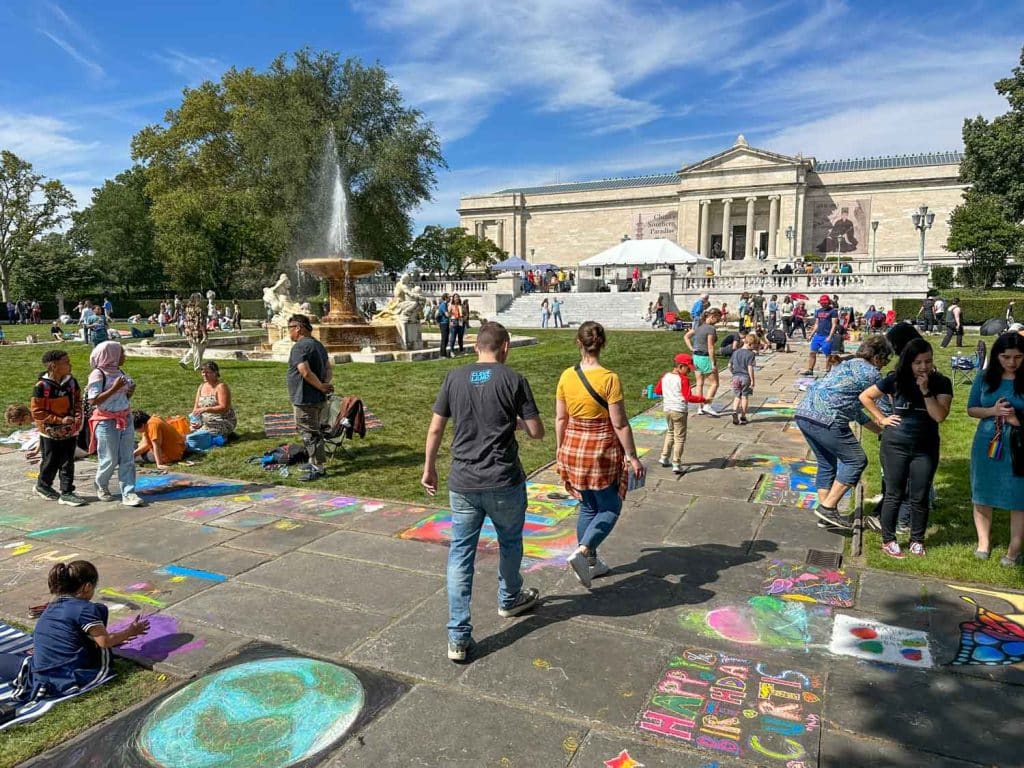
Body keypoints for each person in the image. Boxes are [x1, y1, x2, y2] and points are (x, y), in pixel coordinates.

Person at [421, 321, 544, 663]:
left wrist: (429, 467)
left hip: (463, 481)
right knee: (509, 541)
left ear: (477, 346)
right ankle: (509, 597)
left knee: (461, 554)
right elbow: (537, 432)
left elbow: (435, 429)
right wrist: (515, 422)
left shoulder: (454, 377)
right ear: (504, 347)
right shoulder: (514, 379)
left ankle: (458, 637)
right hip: (503, 480)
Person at [556, 321, 645, 589]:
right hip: (600, 450)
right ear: (602, 344)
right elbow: (619, 423)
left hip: (572, 446)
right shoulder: (609, 379)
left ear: (578, 343)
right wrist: (632, 456)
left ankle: (591, 562)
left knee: (588, 505)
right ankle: (584, 553)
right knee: (610, 506)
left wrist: (560, 450)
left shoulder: (566, 376)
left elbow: (561, 418)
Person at [0, 561, 149, 701]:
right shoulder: (85, 609)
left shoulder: (53, 605)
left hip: (38, 670)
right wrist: (130, 631)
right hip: (66, 674)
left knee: (100, 609)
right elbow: (104, 642)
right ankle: (91, 649)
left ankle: (90, 645)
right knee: (99, 611)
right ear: (87, 587)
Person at [859, 338, 953, 558]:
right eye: (917, 362)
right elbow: (865, 396)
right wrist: (881, 419)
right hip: (896, 445)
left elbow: (939, 415)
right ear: (908, 362)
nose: (923, 367)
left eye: (927, 362)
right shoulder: (895, 379)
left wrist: (926, 391)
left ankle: (917, 539)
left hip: (925, 446)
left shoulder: (941, 382)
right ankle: (888, 539)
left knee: (919, 495)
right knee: (894, 493)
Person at [795, 336, 892, 529]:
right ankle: (828, 508)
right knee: (856, 459)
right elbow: (884, 410)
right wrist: (889, 423)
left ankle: (827, 517)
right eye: (886, 359)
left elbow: (854, 409)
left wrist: (878, 431)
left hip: (804, 414)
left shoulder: (847, 364)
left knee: (827, 463)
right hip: (827, 420)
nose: (885, 364)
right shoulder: (873, 374)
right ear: (878, 357)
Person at [967, 332, 1024, 566]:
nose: (1012, 362)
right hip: (987, 442)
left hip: (1019, 445)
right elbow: (972, 409)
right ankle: (983, 543)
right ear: (996, 355)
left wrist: (1016, 420)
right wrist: (993, 411)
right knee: (982, 492)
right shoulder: (984, 378)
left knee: (1019, 497)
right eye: (1006, 357)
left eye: (1019, 357)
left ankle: (1014, 550)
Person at [87, 342, 142, 507]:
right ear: (111, 355)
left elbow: (122, 397)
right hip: (106, 421)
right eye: (121, 353)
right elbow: (93, 400)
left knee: (127, 457)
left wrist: (128, 392)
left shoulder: (120, 372)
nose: (124, 356)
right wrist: (115, 387)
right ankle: (101, 484)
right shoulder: (97, 374)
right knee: (109, 458)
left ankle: (129, 492)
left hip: (125, 418)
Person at [31, 350, 86, 506]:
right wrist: (60, 420)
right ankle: (43, 485)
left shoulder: (71, 382)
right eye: (66, 362)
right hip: (50, 431)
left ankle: (67, 491)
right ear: (53, 366)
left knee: (67, 461)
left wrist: (76, 417)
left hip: (69, 429)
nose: (70, 365)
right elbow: (37, 412)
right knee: (51, 460)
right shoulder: (41, 386)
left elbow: (77, 401)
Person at [286, 314, 333, 481]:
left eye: (289, 328)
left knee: (310, 433)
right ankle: (312, 461)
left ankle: (317, 468)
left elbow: (304, 371)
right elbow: (328, 368)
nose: (288, 332)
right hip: (318, 398)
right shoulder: (318, 345)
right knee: (314, 430)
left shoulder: (300, 347)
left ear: (298, 328)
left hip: (305, 398)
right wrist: (324, 385)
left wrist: (320, 386)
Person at [657, 353, 706, 474]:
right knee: (680, 438)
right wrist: (703, 399)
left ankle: (664, 457)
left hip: (667, 409)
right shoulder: (683, 379)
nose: (689, 371)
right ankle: (676, 463)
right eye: (688, 368)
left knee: (670, 432)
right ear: (680, 366)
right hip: (679, 410)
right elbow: (688, 396)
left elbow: (657, 390)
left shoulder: (665, 376)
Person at [684, 308, 724, 416]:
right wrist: (712, 363)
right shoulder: (710, 329)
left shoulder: (698, 326)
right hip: (705, 358)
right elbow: (710, 347)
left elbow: (686, 336)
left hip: (696, 357)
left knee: (699, 383)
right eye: (717, 319)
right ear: (712, 317)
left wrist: (691, 348)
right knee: (715, 383)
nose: (718, 322)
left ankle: (699, 407)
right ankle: (707, 405)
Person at [191, 361, 237, 437]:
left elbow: (224, 408)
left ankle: (225, 437)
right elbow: (196, 407)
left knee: (201, 436)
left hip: (222, 420)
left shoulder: (221, 387)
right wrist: (195, 420)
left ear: (215, 373)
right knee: (188, 432)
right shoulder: (201, 386)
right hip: (205, 421)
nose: (204, 375)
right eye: (203, 372)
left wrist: (205, 409)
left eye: (207, 372)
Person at [802, 295, 838, 375]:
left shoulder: (833, 311)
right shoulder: (818, 311)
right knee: (812, 352)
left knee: (827, 354)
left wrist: (830, 336)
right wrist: (811, 335)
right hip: (818, 335)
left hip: (827, 336)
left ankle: (827, 371)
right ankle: (810, 370)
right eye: (821, 303)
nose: (822, 304)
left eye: (824, 303)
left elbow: (834, 325)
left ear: (828, 302)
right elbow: (816, 324)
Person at [729, 334, 757, 426]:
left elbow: (729, 365)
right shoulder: (751, 354)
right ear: (750, 344)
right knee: (744, 396)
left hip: (736, 377)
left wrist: (733, 373)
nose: (754, 347)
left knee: (737, 396)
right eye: (754, 345)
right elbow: (750, 367)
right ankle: (743, 416)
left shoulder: (736, 352)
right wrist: (752, 380)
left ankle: (734, 411)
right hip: (745, 377)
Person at [179, 293, 207, 371]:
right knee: (198, 349)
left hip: (189, 331)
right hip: (197, 331)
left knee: (196, 348)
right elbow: (201, 322)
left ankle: (184, 361)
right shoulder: (198, 309)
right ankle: (197, 366)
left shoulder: (187, 308)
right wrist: (204, 334)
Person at [436, 293, 451, 357]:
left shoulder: (445, 305)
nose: (450, 298)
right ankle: (442, 354)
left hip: (446, 323)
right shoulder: (443, 305)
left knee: (446, 339)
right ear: (446, 298)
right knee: (444, 338)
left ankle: (444, 353)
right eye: (449, 297)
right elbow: (447, 315)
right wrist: (451, 312)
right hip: (443, 323)